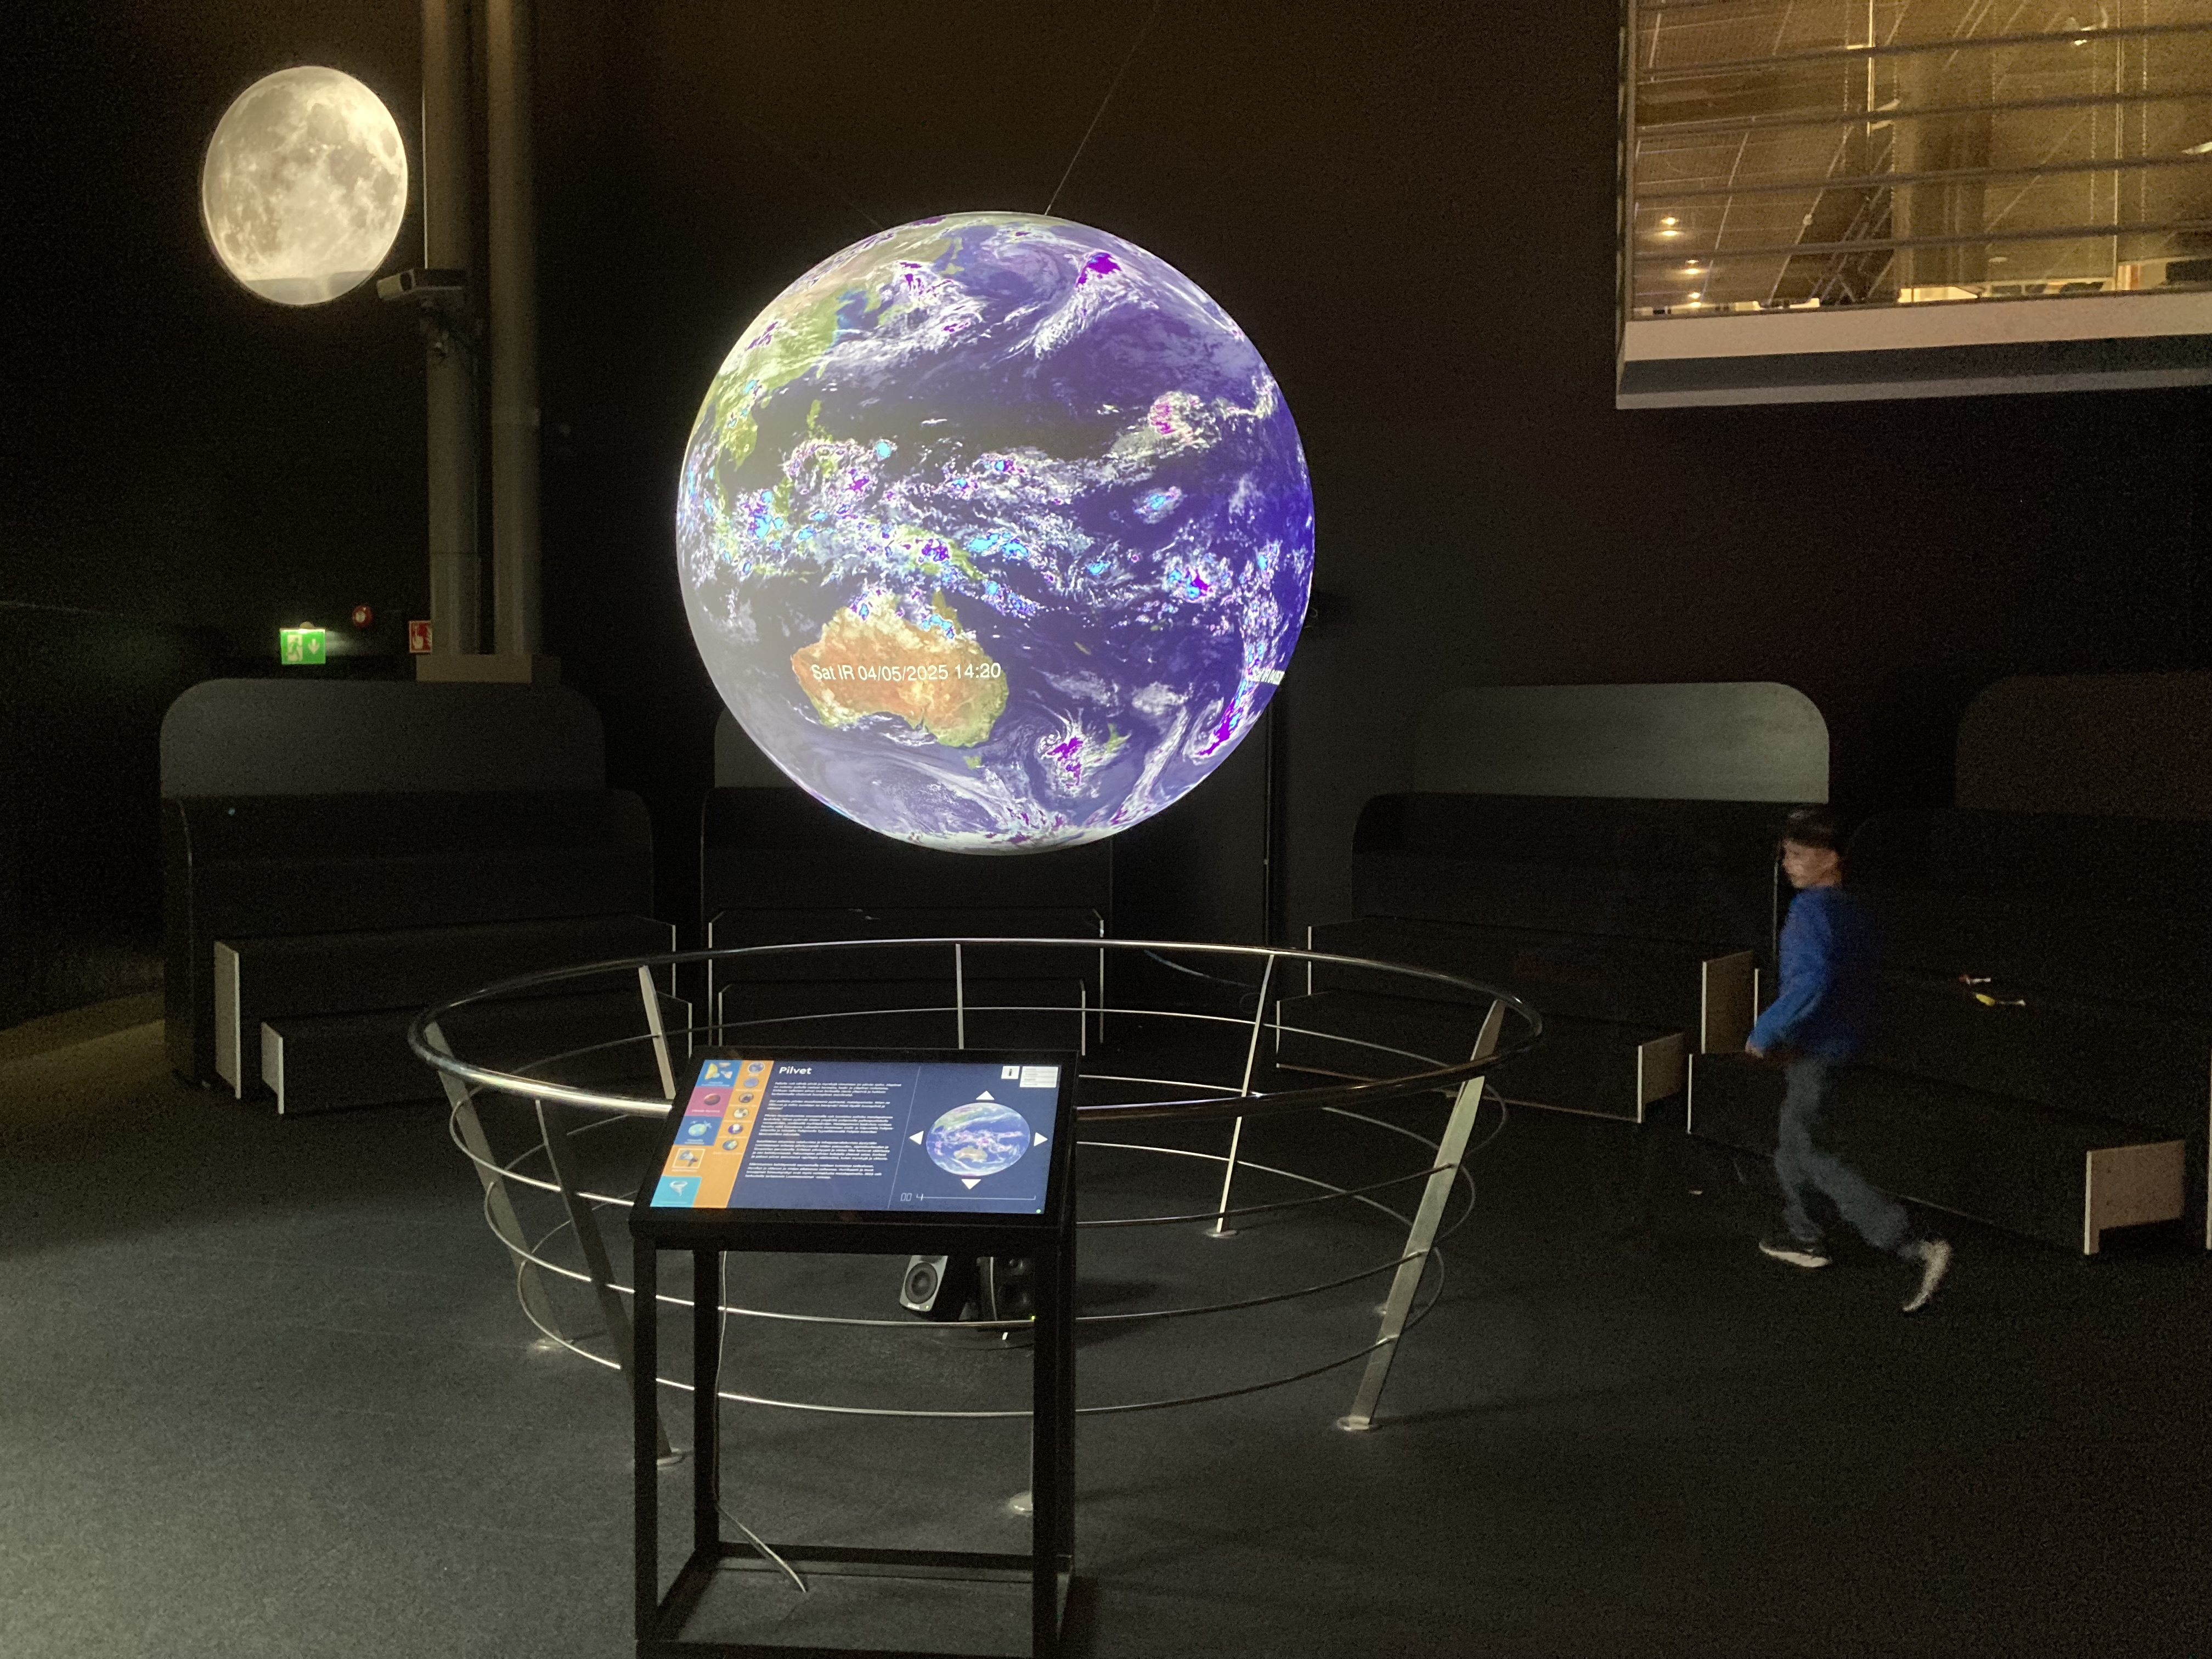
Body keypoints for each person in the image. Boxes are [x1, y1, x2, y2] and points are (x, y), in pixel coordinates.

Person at [1747, 806, 1951, 1314]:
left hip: (1819, 1049)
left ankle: (1908, 1240)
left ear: (1831, 858)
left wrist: (1768, 1030)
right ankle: (1803, 1234)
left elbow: (1812, 980)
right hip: (1850, 1043)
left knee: (1809, 1146)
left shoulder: (1810, 913)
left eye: (1799, 854)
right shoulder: (1856, 910)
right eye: (1786, 854)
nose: (1788, 863)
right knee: (1793, 1142)